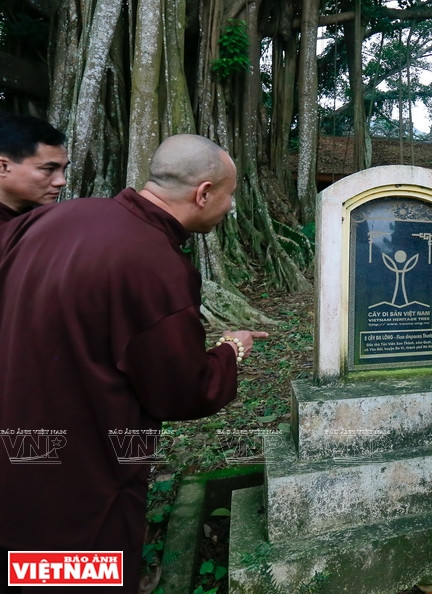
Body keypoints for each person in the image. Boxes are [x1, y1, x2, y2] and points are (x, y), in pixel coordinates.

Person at [0, 134, 267, 593]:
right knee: (85, 569)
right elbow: (183, 390)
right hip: (85, 469)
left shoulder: (54, 217)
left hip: (18, 444)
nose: (230, 208)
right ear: (203, 193)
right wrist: (231, 350)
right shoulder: (155, 266)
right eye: (230, 195)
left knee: (23, 561)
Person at [0, 112, 68, 224]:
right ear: (3, 166)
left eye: (63, 169)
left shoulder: (36, 221)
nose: (62, 181)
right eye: (49, 169)